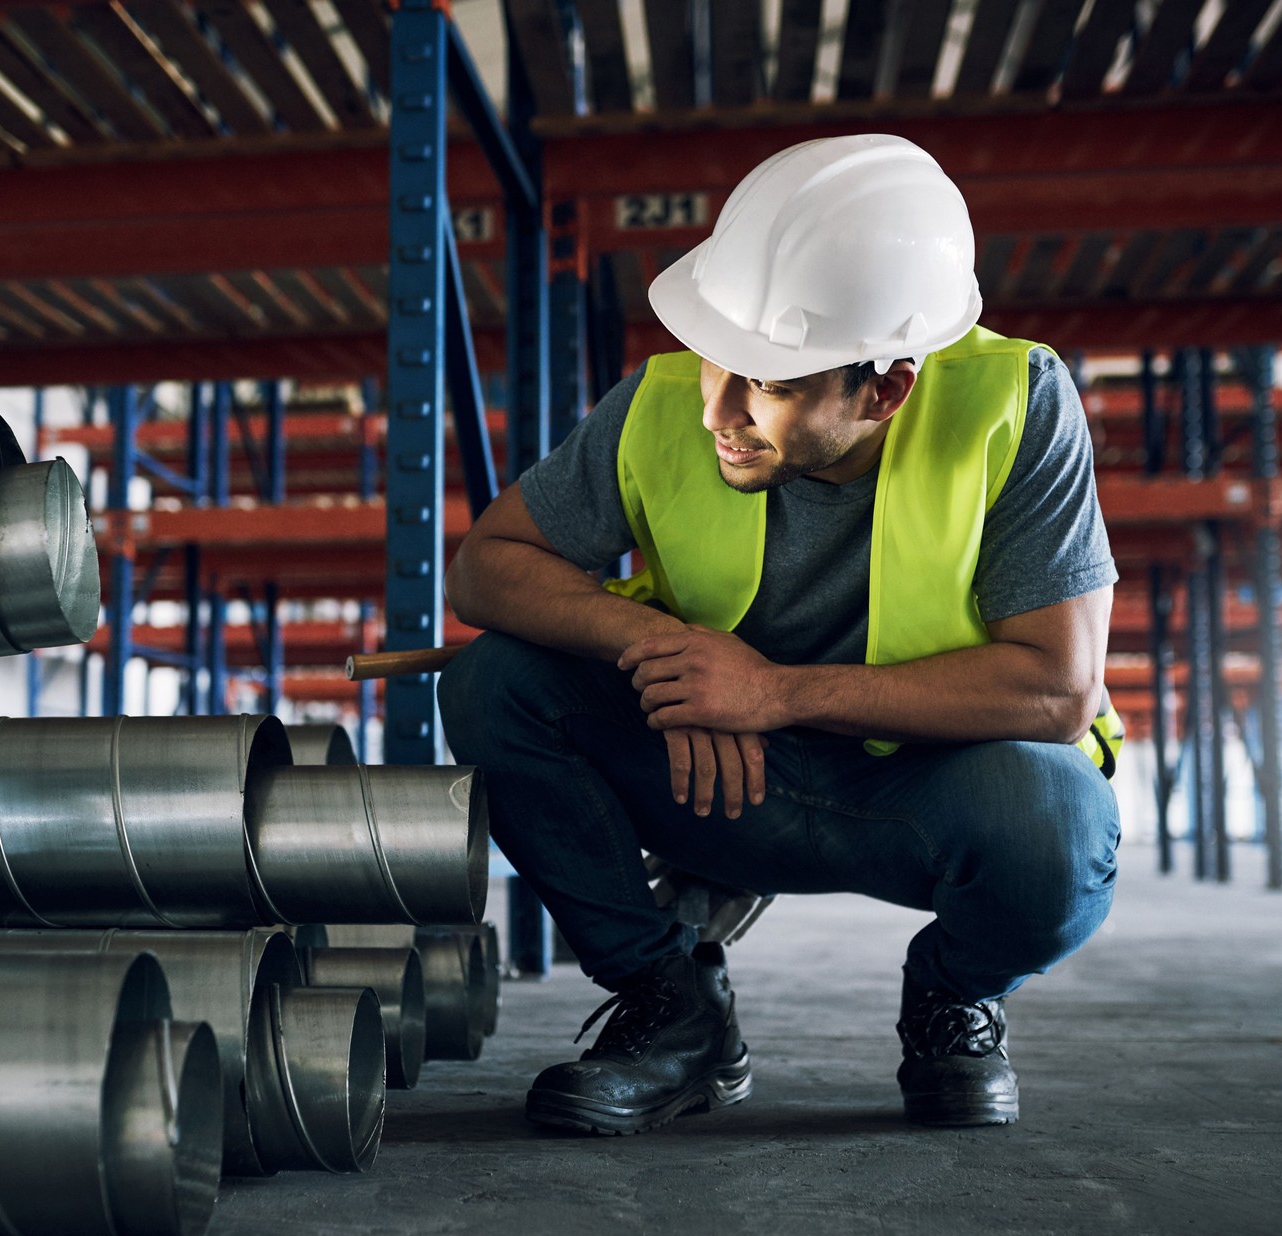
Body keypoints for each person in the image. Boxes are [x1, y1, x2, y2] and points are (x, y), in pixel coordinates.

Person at [438, 134, 1123, 1136]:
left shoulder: (1014, 407)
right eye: (719, 358)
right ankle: (674, 1010)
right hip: (721, 777)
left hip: (927, 793)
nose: (718, 408)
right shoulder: (671, 402)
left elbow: (1057, 691)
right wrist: (659, 654)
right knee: (492, 685)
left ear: (885, 388)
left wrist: (777, 691)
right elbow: (485, 566)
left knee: (1060, 824)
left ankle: (949, 1001)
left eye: (772, 383)